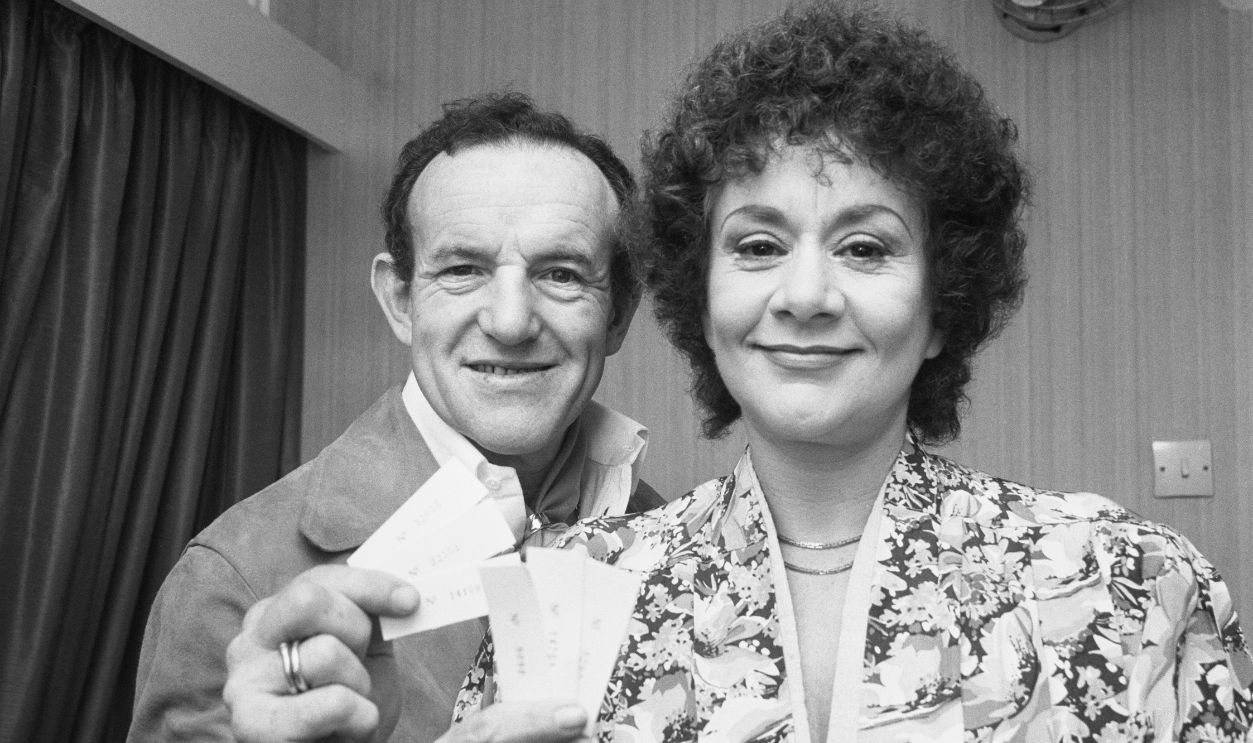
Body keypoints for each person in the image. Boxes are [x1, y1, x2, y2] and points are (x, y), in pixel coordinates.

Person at [225, 5, 1253, 743]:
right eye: (757, 245)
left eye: (863, 246)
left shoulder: (1134, 583)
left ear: (941, 305)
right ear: (697, 293)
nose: (803, 293)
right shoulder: (565, 593)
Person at [128, 92, 664, 742]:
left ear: (619, 313)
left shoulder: (684, 538)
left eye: (560, 273)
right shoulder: (233, 579)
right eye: (463, 269)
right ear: (400, 300)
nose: (512, 320)